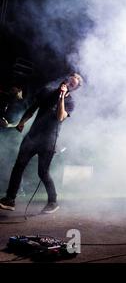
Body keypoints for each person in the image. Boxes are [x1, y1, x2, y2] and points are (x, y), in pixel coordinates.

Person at [0, 72, 83, 213]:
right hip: (33, 136)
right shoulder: (47, 91)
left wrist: (62, 97)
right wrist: (22, 122)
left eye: (73, 85)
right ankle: (10, 199)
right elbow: (33, 108)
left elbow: (60, 116)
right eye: (69, 80)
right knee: (18, 166)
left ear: (74, 89)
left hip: (48, 141)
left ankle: (53, 202)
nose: (69, 84)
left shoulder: (70, 102)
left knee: (43, 172)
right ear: (65, 79)